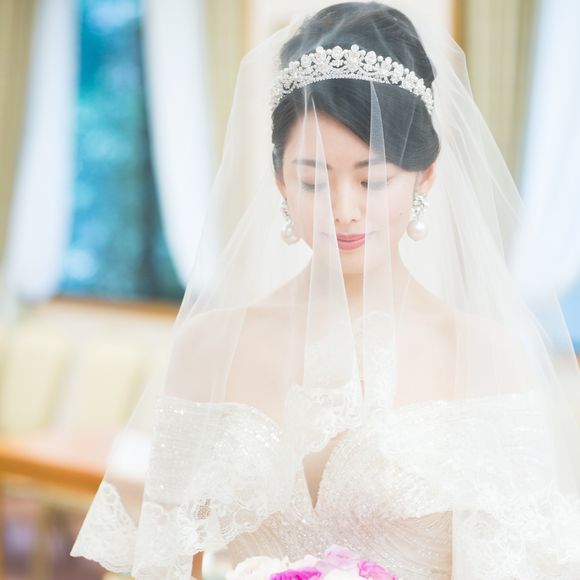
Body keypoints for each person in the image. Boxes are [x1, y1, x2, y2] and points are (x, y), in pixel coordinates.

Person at [70, 2, 580, 578]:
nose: (344, 210)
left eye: (373, 179)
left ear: (425, 176)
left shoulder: (485, 353)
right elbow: (165, 565)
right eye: (313, 180)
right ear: (280, 181)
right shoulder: (208, 346)